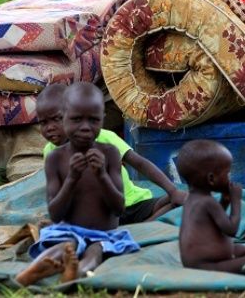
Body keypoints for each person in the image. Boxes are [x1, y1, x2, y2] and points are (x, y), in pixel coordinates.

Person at [16, 82, 140, 286]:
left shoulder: (109, 154)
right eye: (76, 119)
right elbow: (56, 214)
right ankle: (33, 271)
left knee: (95, 252)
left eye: (93, 120)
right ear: (63, 117)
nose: (85, 127)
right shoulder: (55, 159)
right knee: (66, 244)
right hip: (69, 230)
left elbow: (119, 208)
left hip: (104, 234)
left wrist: (102, 176)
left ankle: (76, 274)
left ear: (103, 120)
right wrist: (72, 179)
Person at [36, 83, 187, 225]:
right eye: (43, 123)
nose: (50, 128)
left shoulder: (105, 138)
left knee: (176, 201)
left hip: (132, 203)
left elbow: (140, 163)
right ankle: (145, 227)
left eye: (57, 119)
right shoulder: (50, 154)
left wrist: (172, 190)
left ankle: (146, 225)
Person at [177, 140, 245, 273]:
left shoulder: (191, 199)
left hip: (199, 262)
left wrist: (225, 201)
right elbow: (230, 229)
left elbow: (213, 222)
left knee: (241, 250)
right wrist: (236, 200)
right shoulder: (208, 202)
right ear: (211, 179)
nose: (230, 178)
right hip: (209, 266)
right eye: (227, 174)